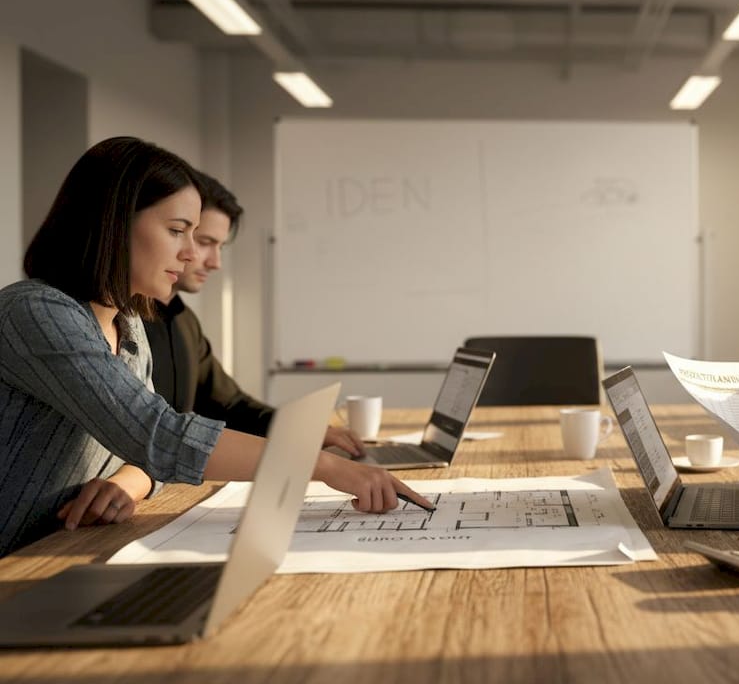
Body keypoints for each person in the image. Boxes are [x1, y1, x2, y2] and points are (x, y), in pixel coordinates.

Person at [0, 136, 430, 558]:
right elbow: (160, 435)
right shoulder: (37, 312)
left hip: (62, 551)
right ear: (113, 223)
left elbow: (151, 450)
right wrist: (326, 467)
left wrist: (134, 479)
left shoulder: (129, 327)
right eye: (177, 231)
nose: (191, 254)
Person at [142, 170, 364, 455]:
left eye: (221, 246)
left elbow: (230, 405)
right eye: (205, 242)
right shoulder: (121, 322)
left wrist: (304, 429)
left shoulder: (184, 321)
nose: (216, 263)